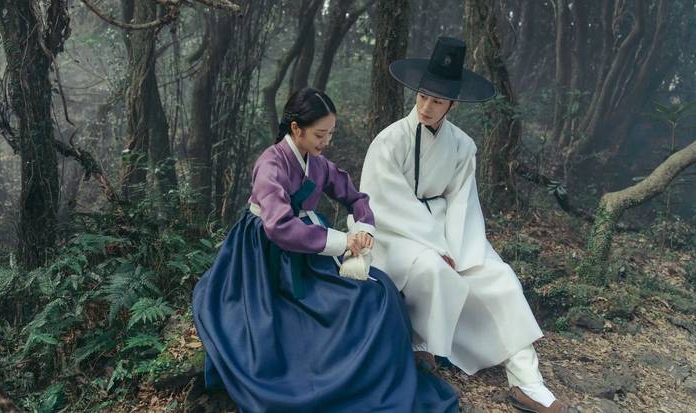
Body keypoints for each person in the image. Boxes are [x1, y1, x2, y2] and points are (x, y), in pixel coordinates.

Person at [192, 87, 459, 413]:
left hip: (308, 248)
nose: (326, 142)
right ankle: (334, 380)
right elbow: (277, 226)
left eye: (330, 134)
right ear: (295, 129)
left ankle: (381, 376)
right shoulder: (271, 164)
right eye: (320, 134)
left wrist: (363, 229)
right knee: (328, 310)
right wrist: (340, 241)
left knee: (381, 291)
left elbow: (356, 199)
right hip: (262, 257)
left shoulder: (317, 163)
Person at [360, 37, 574, 413]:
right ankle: (425, 348)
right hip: (395, 233)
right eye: (422, 97)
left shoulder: (463, 146)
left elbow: (463, 203)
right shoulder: (389, 141)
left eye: (437, 101)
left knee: (500, 279)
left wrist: (458, 251)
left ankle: (529, 383)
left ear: (453, 104)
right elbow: (382, 201)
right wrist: (436, 248)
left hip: (447, 232)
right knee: (431, 269)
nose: (426, 107)